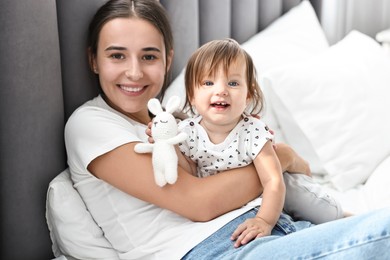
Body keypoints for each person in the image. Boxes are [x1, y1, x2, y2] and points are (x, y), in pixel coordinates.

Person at [64, 0, 390, 259]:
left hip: (269, 224)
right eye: (117, 55)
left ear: (167, 60)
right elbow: (198, 202)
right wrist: (280, 159)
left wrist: (281, 167)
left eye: (148, 56)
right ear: (94, 60)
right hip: (212, 249)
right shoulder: (90, 124)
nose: (134, 72)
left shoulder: (180, 121)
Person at [175, 39, 343, 247]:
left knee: (323, 211)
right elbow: (190, 173)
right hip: (238, 199)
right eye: (208, 83)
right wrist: (170, 146)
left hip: (281, 188)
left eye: (233, 83)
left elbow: (273, 181)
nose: (221, 91)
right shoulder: (187, 132)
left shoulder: (252, 131)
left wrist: (264, 220)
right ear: (191, 94)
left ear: (248, 96)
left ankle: (346, 216)